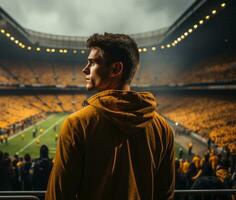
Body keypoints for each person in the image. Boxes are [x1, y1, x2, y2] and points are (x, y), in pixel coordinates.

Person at [46, 33, 175, 200]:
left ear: (116, 69)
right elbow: (165, 194)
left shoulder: (77, 124)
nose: (84, 69)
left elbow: (59, 195)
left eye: (92, 63)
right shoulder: (162, 127)